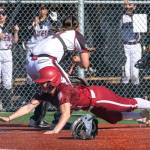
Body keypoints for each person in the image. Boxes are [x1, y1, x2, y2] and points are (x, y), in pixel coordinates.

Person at [0, 66, 150, 135]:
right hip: (90, 106)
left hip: (98, 96)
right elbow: (28, 107)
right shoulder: (46, 92)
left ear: (52, 81)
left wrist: (55, 130)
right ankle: (142, 116)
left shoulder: (63, 90)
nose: (41, 84)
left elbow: (65, 114)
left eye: (45, 82)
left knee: (126, 104)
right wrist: (9, 117)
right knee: (112, 118)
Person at [26, 15, 90, 127]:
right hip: (45, 61)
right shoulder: (76, 35)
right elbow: (85, 65)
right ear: (77, 27)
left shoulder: (56, 34)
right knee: (69, 87)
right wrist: (79, 60)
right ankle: (59, 120)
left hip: (30, 62)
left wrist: (75, 60)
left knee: (47, 89)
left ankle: (36, 119)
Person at [0, 5, 19, 111]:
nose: (1, 16)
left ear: (6, 16)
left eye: (3, 14)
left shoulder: (9, 26)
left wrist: (16, 31)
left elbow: (15, 41)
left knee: (7, 80)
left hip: (7, 54)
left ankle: (7, 105)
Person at [120, 0, 142, 85]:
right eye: (126, 5)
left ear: (135, 6)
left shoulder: (139, 17)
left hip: (136, 45)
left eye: (130, 5)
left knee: (135, 74)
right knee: (126, 74)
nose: (128, 7)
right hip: (125, 46)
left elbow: (143, 32)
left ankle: (135, 95)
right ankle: (124, 96)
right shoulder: (121, 17)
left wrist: (134, 19)